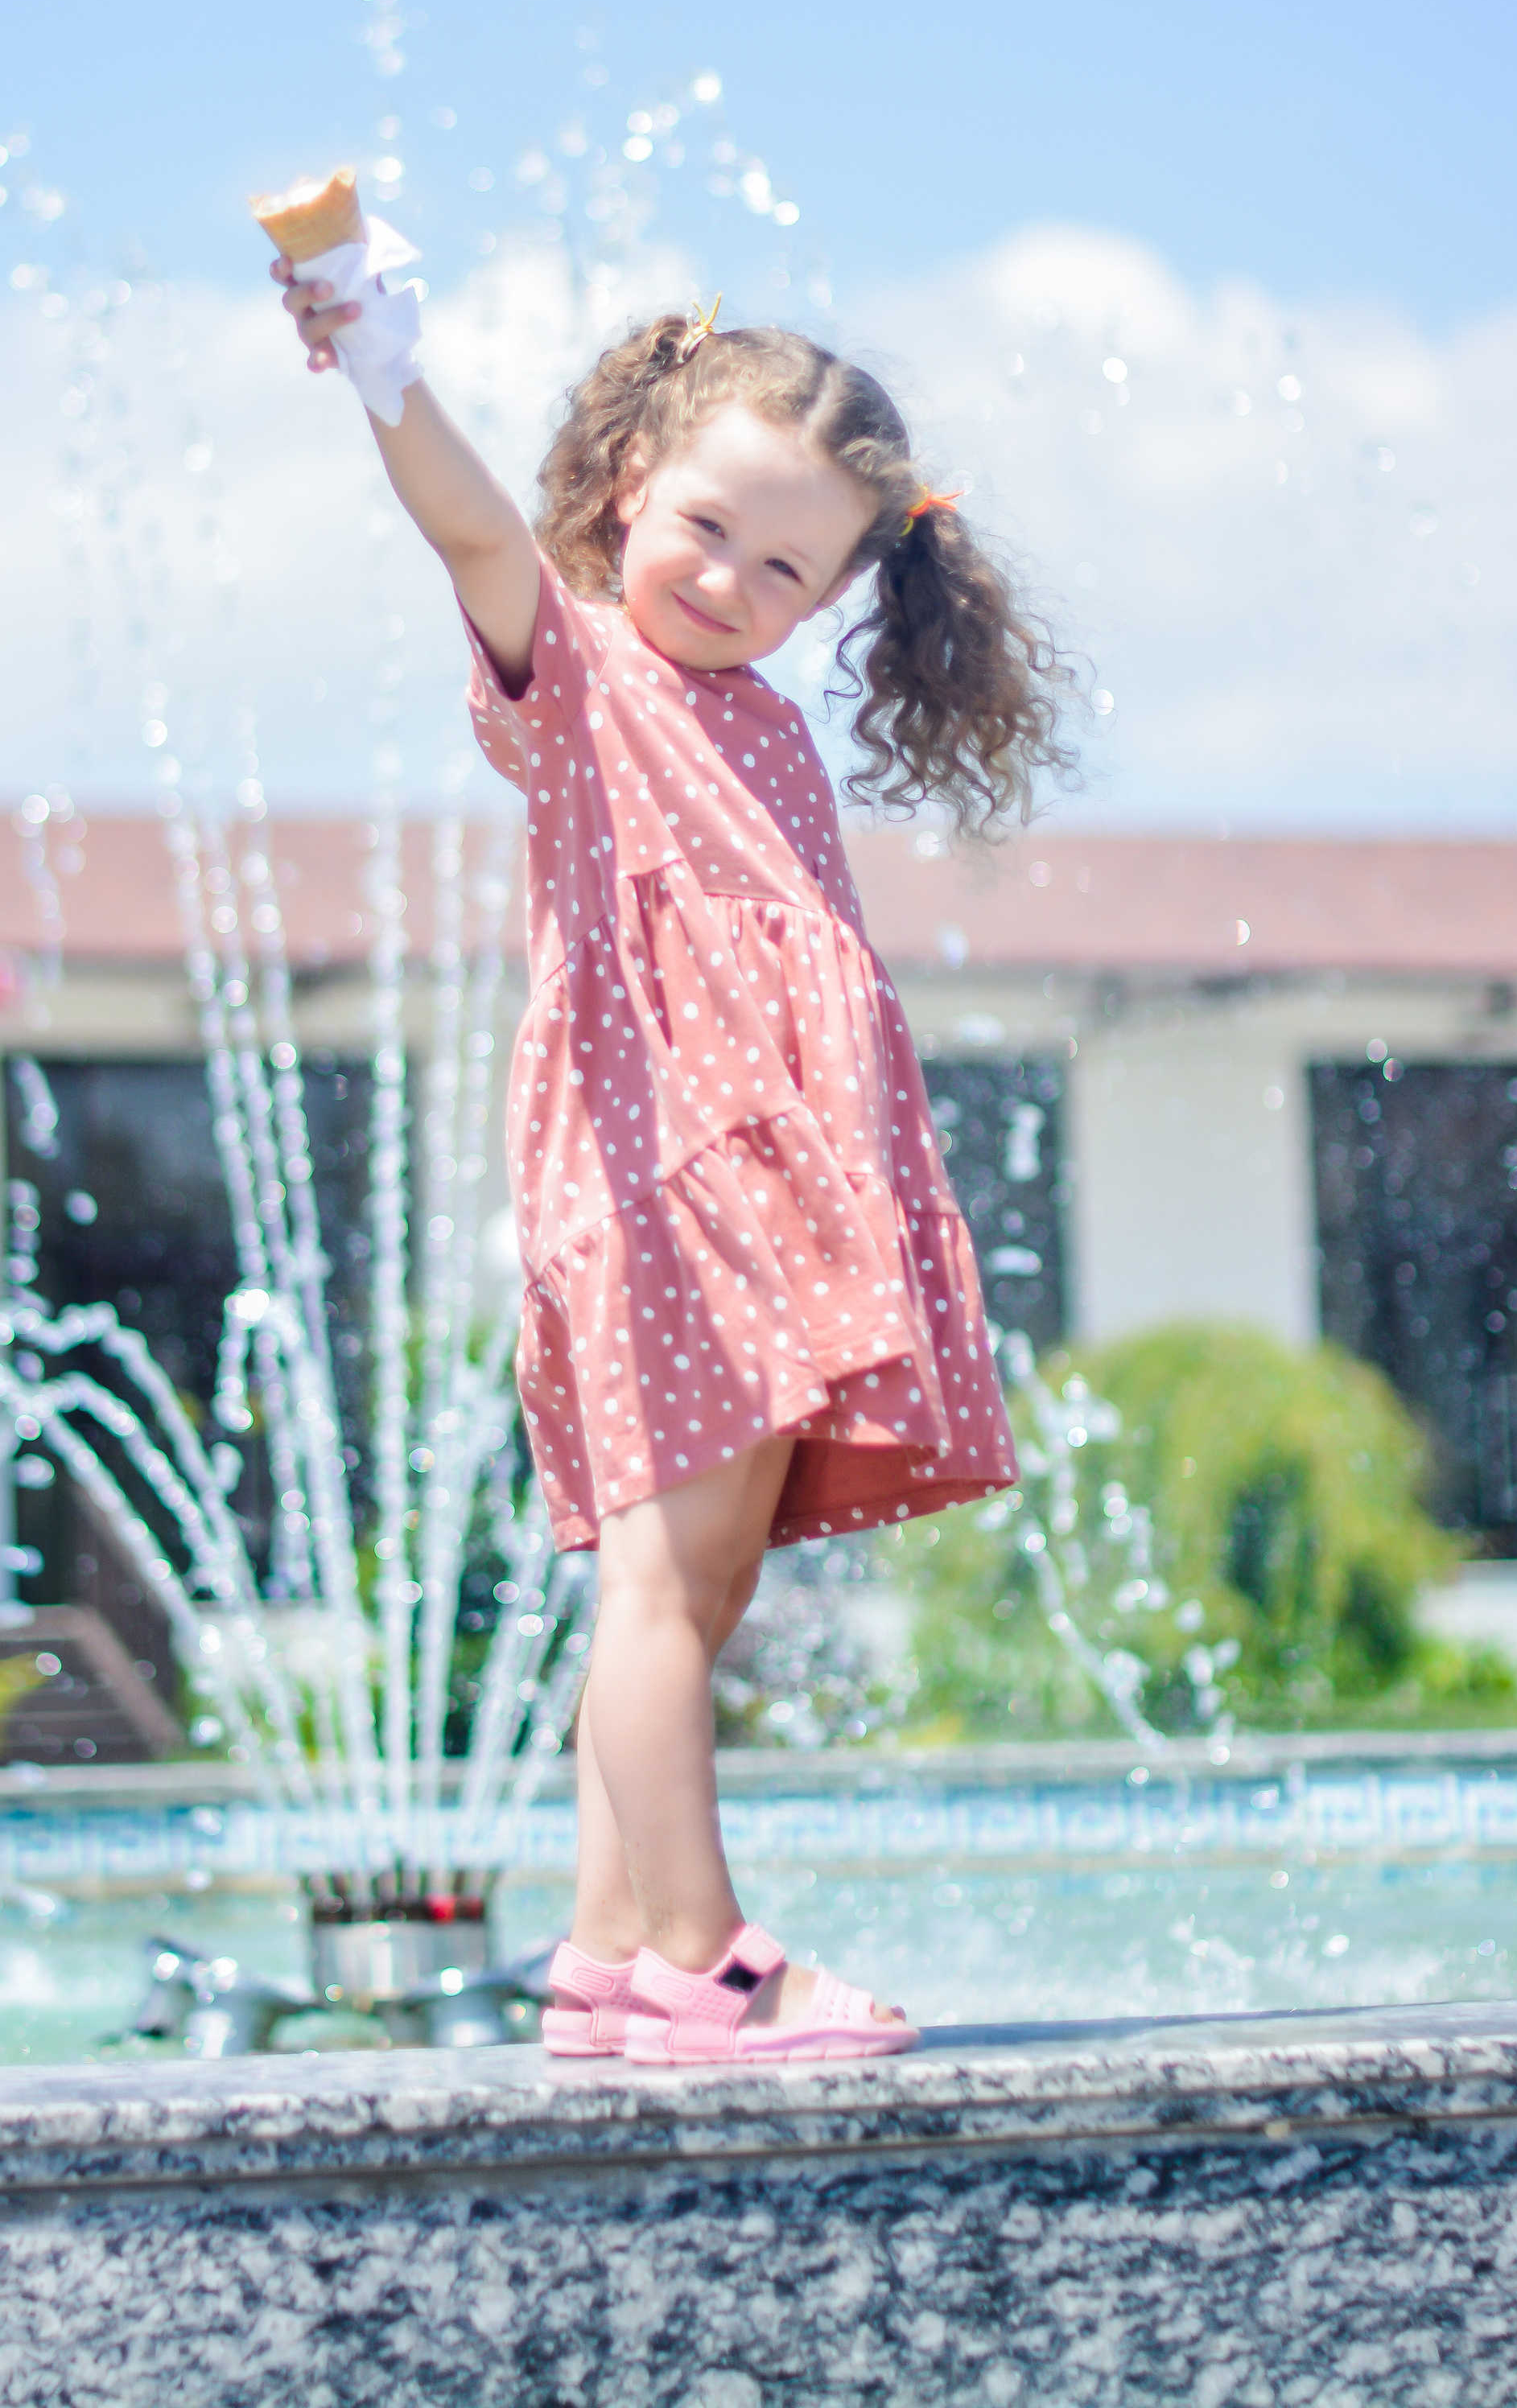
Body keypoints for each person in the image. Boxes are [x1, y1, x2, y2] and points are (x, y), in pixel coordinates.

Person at [275, 248, 1069, 2064]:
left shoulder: (766, 728)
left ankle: (606, 1955)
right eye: (704, 526)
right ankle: (712, 1958)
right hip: (664, 1191)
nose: (725, 580)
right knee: (653, 1590)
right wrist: (383, 365)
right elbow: (473, 531)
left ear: (833, 598)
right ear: (633, 482)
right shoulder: (581, 670)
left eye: (783, 568)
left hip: (772, 1196)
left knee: (698, 1592)